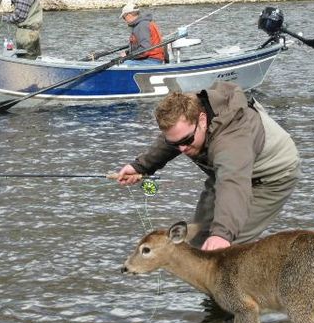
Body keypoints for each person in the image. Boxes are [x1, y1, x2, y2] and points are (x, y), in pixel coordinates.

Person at [116, 82, 301, 251]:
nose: (182, 149)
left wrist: (222, 234)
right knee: (195, 241)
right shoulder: (190, 115)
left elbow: (233, 182)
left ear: (202, 120)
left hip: (271, 177)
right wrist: (140, 167)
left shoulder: (230, 141)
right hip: (225, 172)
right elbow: (173, 138)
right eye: (176, 144)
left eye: (187, 141)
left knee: (224, 253)